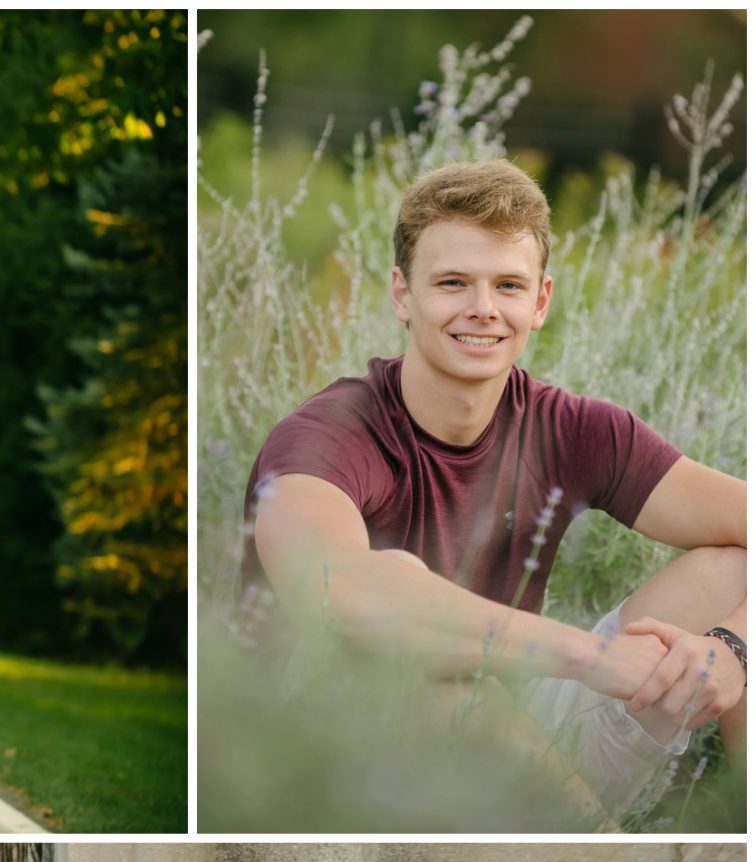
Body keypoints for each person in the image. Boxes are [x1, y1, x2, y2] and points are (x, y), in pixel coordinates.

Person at [244, 159, 746, 815]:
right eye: (453, 283)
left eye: (508, 285)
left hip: (517, 742)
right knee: (436, 677)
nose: (483, 309)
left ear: (540, 302)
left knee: (730, 575)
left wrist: (732, 648)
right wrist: (593, 658)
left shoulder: (570, 428)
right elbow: (344, 593)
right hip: (333, 774)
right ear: (402, 294)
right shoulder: (325, 437)